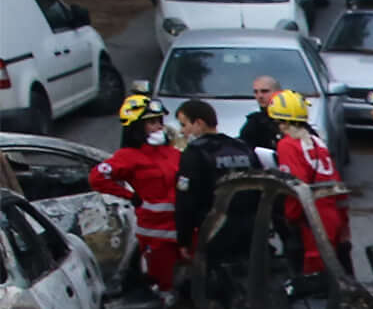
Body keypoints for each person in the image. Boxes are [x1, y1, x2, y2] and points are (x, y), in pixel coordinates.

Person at [91, 95, 182, 295]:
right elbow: (97, 178)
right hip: (156, 234)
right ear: (137, 127)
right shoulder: (128, 157)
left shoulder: (173, 153)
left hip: (185, 228)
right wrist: (129, 195)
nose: (158, 126)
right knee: (168, 286)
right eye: (151, 122)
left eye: (159, 121)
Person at [170, 101, 263, 294]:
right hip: (251, 229)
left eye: (184, 125)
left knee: (217, 288)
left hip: (216, 230)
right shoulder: (242, 147)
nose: (182, 131)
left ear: (199, 124)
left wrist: (184, 240)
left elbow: (185, 201)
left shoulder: (195, 153)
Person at [266, 92, 347, 272]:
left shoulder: (287, 145)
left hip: (311, 217)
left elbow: (296, 184)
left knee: (313, 275)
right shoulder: (317, 141)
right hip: (331, 213)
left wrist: (291, 216)